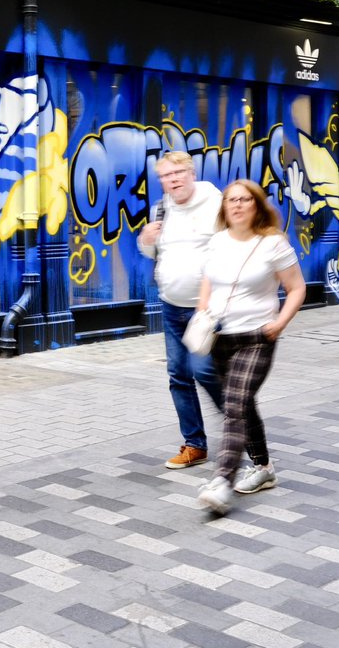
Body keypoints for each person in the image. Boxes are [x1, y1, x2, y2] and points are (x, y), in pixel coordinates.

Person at [195, 180, 306, 516]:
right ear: (224, 207)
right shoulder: (216, 242)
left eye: (245, 199)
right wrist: (202, 310)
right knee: (243, 404)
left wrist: (279, 323)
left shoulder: (273, 244)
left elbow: (297, 287)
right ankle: (264, 468)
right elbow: (208, 280)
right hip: (221, 338)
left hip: (258, 338)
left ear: (256, 205)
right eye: (231, 200)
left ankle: (221, 481)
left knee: (233, 405)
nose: (238, 205)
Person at [137, 151, 224, 470]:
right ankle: (195, 444)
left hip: (207, 308)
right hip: (171, 306)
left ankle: (238, 422)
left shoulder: (215, 203)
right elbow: (151, 252)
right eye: (166, 175)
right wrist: (145, 240)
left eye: (178, 173)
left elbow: (229, 249)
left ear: (191, 172)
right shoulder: (162, 207)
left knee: (203, 370)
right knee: (178, 375)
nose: (173, 180)